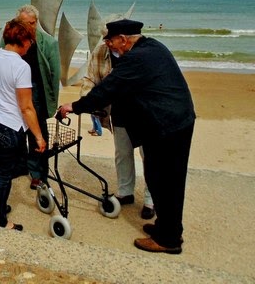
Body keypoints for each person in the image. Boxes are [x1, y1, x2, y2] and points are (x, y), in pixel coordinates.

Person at [58, 19, 195, 254]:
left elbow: (108, 89)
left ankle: (169, 240)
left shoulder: (136, 58)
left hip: (167, 126)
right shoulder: (153, 47)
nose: (110, 46)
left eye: (111, 42)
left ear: (123, 38)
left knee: (165, 182)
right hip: (175, 121)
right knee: (162, 179)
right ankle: (166, 226)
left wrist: (75, 106)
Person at [80, 19, 154, 219]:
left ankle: (151, 200)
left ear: (121, 39)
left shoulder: (138, 54)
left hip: (143, 112)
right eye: (105, 39)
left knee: (149, 156)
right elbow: (91, 78)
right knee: (122, 152)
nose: (106, 43)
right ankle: (125, 191)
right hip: (118, 110)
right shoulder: (101, 52)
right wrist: (88, 101)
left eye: (109, 39)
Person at [0, 18, 47, 231]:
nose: (31, 45)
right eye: (30, 40)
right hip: (8, 127)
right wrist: (38, 136)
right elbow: (27, 107)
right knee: (3, 173)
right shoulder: (21, 66)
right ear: (23, 40)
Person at [15, 5, 61, 190]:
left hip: (37, 94)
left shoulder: (48, 43)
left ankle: (38, 172)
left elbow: (54, 75)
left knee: (38, 135)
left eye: (32, 23)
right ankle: (21, 166)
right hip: (16, 93)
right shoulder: (10, 41)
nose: (29, 27)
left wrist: (52, 102)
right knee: (17, 133)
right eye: (25, 23)